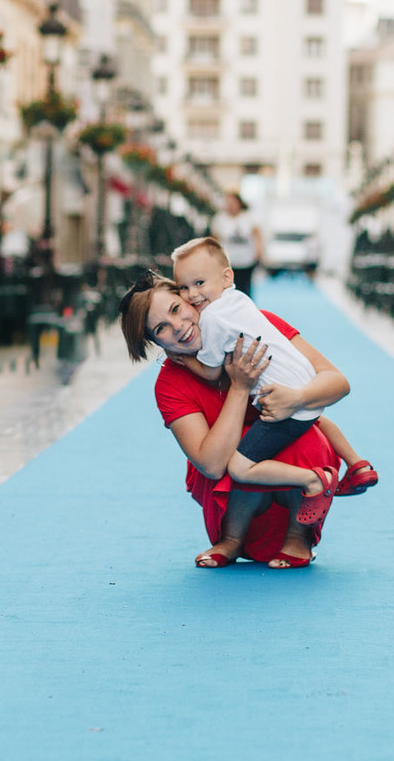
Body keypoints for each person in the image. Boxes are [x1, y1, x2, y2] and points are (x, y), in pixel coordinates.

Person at [119, 275, 347, 569]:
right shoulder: (170, 383)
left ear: (190, 299)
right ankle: (230, 540)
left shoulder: (256, 323)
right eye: (161, 328)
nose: (177, 327)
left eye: (176, 309)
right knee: (241, 447)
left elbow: (338, 382)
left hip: (293, 486)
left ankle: (298, 539)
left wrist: (299, 397)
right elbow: (212, 464)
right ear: (154, 342)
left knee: (309, 437)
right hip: (230, 490)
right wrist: (240, 387)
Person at [171, 236, 379, 501]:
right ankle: (357, 463)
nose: (192, 294)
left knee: (239, 468)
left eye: (199, 283)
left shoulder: (211, 318)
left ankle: (314, 480)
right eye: (183, 288)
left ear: (226, 277)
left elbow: (211, 371)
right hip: (304, 380)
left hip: (281, 402)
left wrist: (185, 359)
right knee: (316, 419)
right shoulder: (240, 300)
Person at [210, 191, 263, 293]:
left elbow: (257, 236)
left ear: (239, 202)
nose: (230, 205)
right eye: (228, 202)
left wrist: (258, 252)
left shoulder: (249, 217)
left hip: (246, 260)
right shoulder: (220, 218)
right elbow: (214, 239)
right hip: (228, 261)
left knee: (245, 288)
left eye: (232, 202)